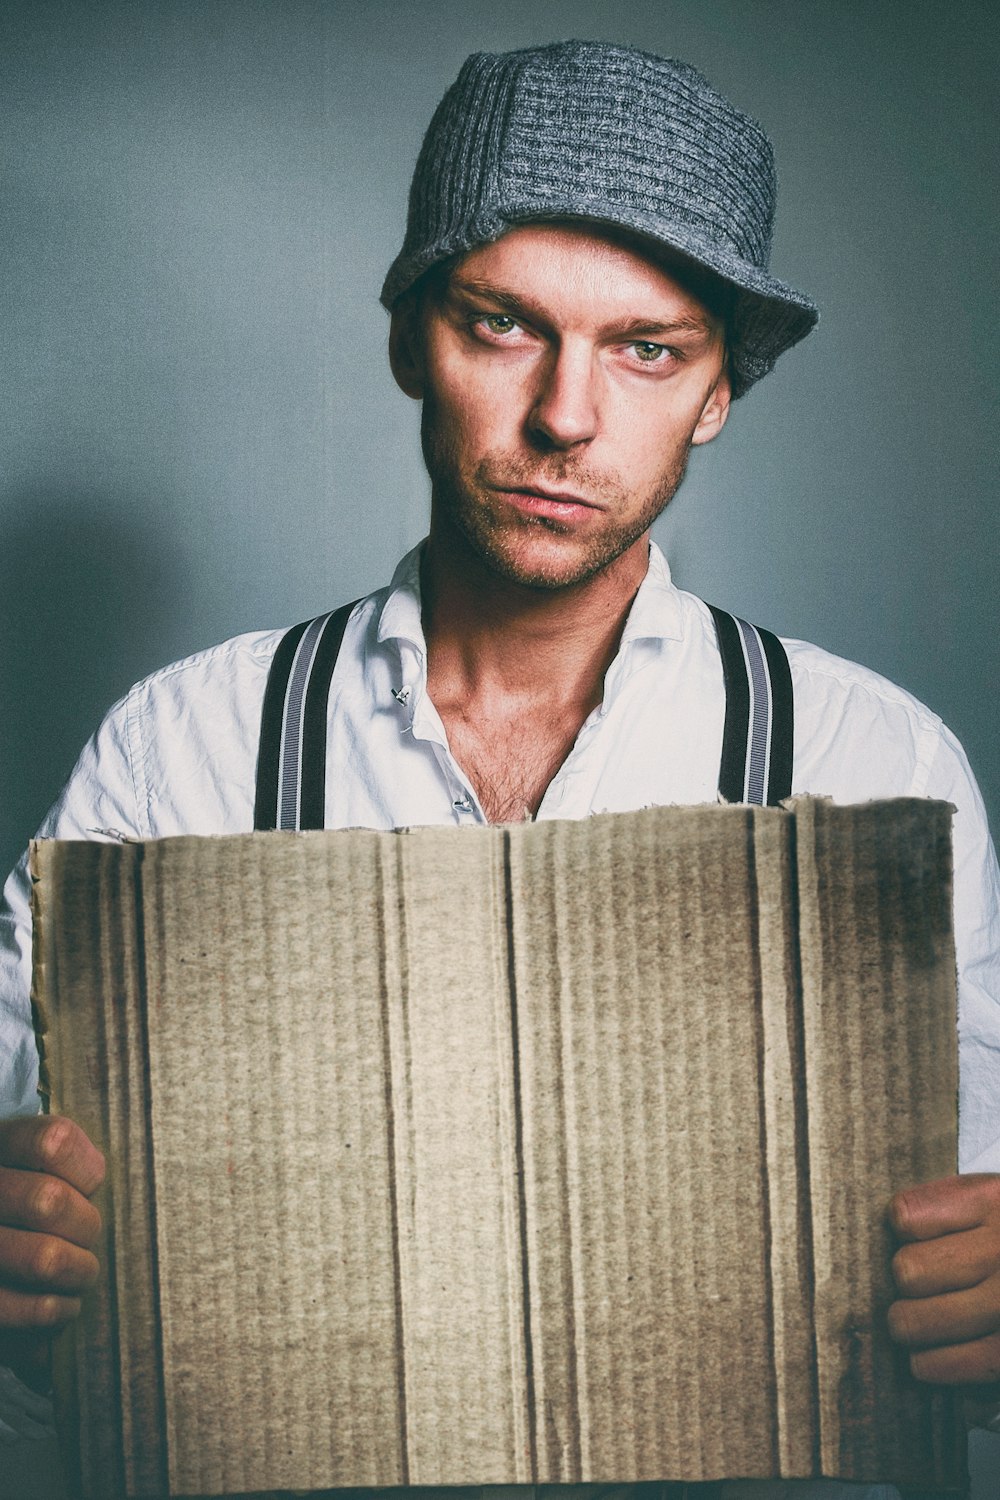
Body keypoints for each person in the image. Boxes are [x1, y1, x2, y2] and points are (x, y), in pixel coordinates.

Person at [1, 38, 998, 1498]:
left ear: (720, 390)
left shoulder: (873, 761)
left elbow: (974, 1243)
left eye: (646, 348)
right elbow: (34, 1287)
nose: (566, 419)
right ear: (412, 336)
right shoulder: (185, 749)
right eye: (504, 326)